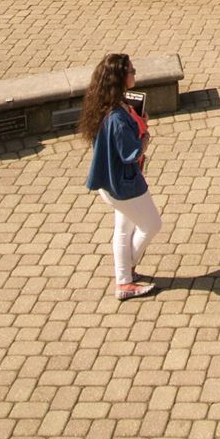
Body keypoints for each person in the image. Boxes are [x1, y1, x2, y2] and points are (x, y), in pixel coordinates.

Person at [83, 52, 162, 301]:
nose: (135, 73)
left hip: (109, 184)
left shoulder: (108, 107)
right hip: (124, 185)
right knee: (151, 225)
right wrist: (145, 137)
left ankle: (124, 280)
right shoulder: (117, 118)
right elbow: (132, 152)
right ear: (120, 78)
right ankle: (126, 271)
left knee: (123, 228)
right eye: (131, 70)